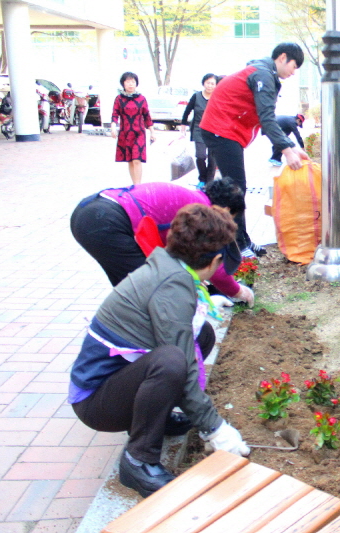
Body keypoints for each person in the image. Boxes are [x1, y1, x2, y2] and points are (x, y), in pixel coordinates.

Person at [69, 204, 252, 498]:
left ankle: (159, 418)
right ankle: (138, 460)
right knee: (170, 361)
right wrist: (216, 429)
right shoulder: (171, 285)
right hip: (95, 401)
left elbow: (183, 339)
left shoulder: (167, 263)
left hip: (114, 383)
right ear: (215, 260)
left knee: (200, 335)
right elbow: (182, 363)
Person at [199, 42, 310, 257]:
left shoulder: (262, 72)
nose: (294, 73)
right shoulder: (263, 75)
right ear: (282, 57)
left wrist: (292, 147)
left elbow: (267, 118)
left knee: (235, 188)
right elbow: (267, 118)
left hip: (224, 130)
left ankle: (242, 240)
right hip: (221, 130)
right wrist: (287, 151)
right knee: (235, 189)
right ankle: (236, 246)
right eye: (294, 66)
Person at [70, 179, 254, 305]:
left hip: (91, 211)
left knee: (132, 284)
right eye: (230, 217)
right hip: (105, 221)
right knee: (148, 289)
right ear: (226, 209)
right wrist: (238, 292)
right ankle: (138, 345)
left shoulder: (191, 198)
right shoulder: (203, 212)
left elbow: (175, 251)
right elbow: (211, 261)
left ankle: (133, 335)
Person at [110, 72, 156, 185]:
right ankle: (134, 184)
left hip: (139, 133)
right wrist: (113, 127)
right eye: (128, 82)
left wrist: (152, 132)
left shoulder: (141, 99)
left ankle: (138, 185)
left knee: (137, 159)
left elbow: (147, 116)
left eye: (133, 82)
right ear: (123, 84)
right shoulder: (119, 99)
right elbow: (115, 114)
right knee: (130, 160)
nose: (131, 84)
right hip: (125, 133)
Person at [181, 73, 219, 188]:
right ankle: (202, 178)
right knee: (200, 156)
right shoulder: (196, 96)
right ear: (203, 83)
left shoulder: (218, 97)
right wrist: (183, 124)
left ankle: (209, 182)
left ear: (216, 85)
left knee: (212, 158)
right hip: (199, 129)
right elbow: (187, 111)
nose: (210, 86)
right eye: (208, 83)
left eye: (212, 83)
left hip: (214, 129)